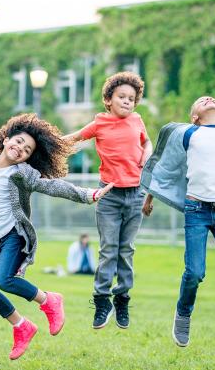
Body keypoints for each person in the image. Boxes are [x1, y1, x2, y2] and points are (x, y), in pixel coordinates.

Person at [0, 113, 113, 360]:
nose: (19, 150)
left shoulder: (22, 173)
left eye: (26, 150)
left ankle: (50, 300)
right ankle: (21, 326)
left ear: (28, 158)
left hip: (14, 235)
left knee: (5, 280)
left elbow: (54, 186)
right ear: (5, 139)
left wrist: (87, 195)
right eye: (17, 142)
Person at [141, 96, 215, 362]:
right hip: (196, 212)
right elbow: (167, 168)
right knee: (195, 272)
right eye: (200, 101)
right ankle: (183, 313)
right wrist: (149, 196)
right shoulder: (190, 134)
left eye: (212, 100)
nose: (208, 99)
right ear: (194, 116)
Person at [63, 71, 152, 330]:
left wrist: (147, 154)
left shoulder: (137, 120)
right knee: (108, 249)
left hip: (135, 194)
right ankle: (102, 301)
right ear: (109, 99)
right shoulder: (99, 123)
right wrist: (45, 144)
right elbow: (75, 138)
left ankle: (122, 298)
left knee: (127, 250)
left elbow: (147, 144)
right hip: (109, 195)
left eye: (132, 98)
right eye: (122, 97)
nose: (127, 101)